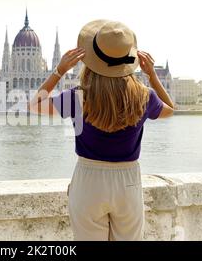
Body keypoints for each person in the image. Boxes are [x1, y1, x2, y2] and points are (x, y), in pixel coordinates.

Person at [28, 19, 174, 241]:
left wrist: (59, 71)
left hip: (89, 180)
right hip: (128, 180)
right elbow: (170, 109)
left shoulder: (78, 97)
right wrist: (152, 76)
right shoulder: (144, 97)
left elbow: (35, 105)